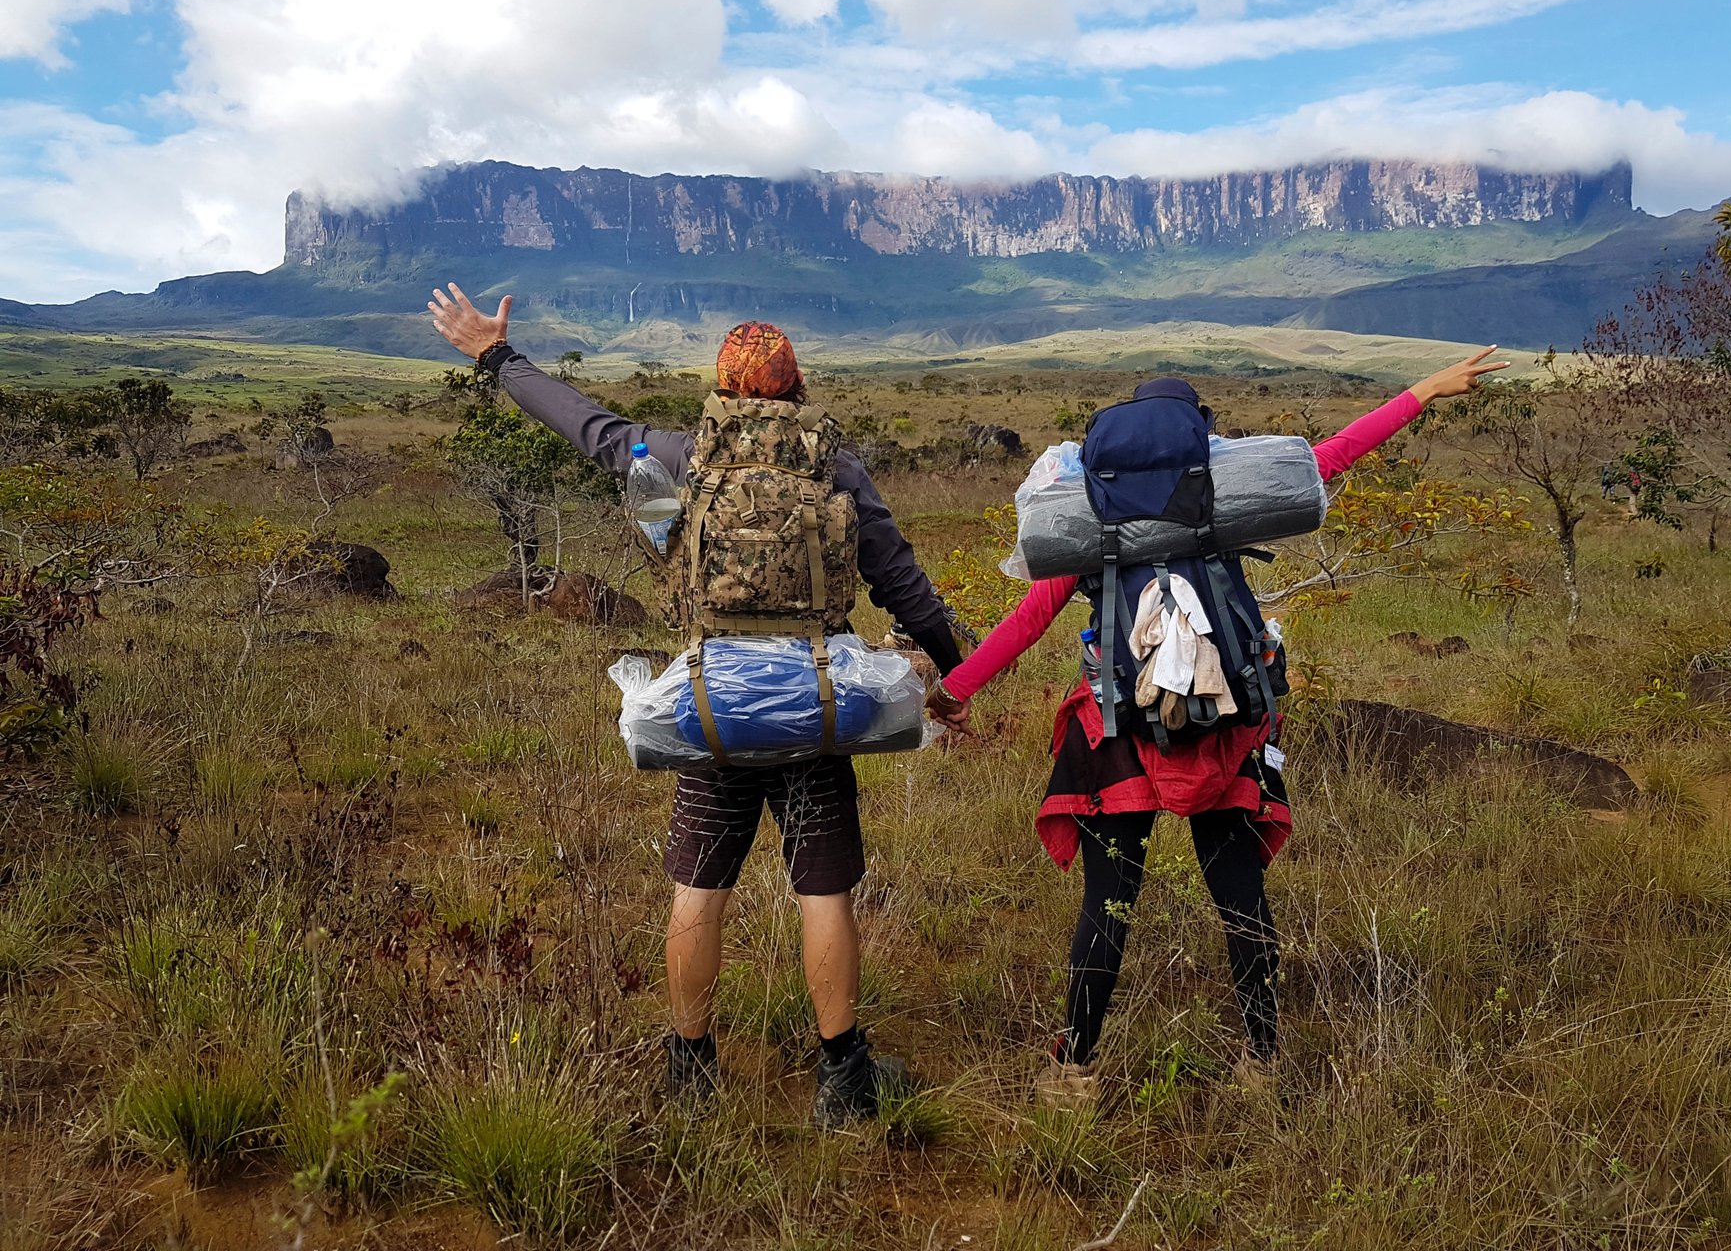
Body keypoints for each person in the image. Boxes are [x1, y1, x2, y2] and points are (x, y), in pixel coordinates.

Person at [427, 284, 970, 1127]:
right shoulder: (839, 469)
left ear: (720, 388)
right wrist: (954, 673)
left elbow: (583, 423)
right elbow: (904, 585)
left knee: (698, 883)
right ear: (796, 388)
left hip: (711, 706)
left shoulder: (676, 457)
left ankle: (690, 1062)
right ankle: (843, 1075)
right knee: (821, 892)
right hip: (817, 708)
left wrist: (496, 357)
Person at [931, 348, 1508, 1104]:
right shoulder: (1221, 498)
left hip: (1118, 728)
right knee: (1240, 897)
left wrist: (955, 690)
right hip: (1225, 722)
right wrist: (1423, 392)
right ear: (1196, 436)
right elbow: (1327, 460)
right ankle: (1262, 1061)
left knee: (1108, 904)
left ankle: (1072, 1070)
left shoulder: (1090, 517)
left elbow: (1029, 618)